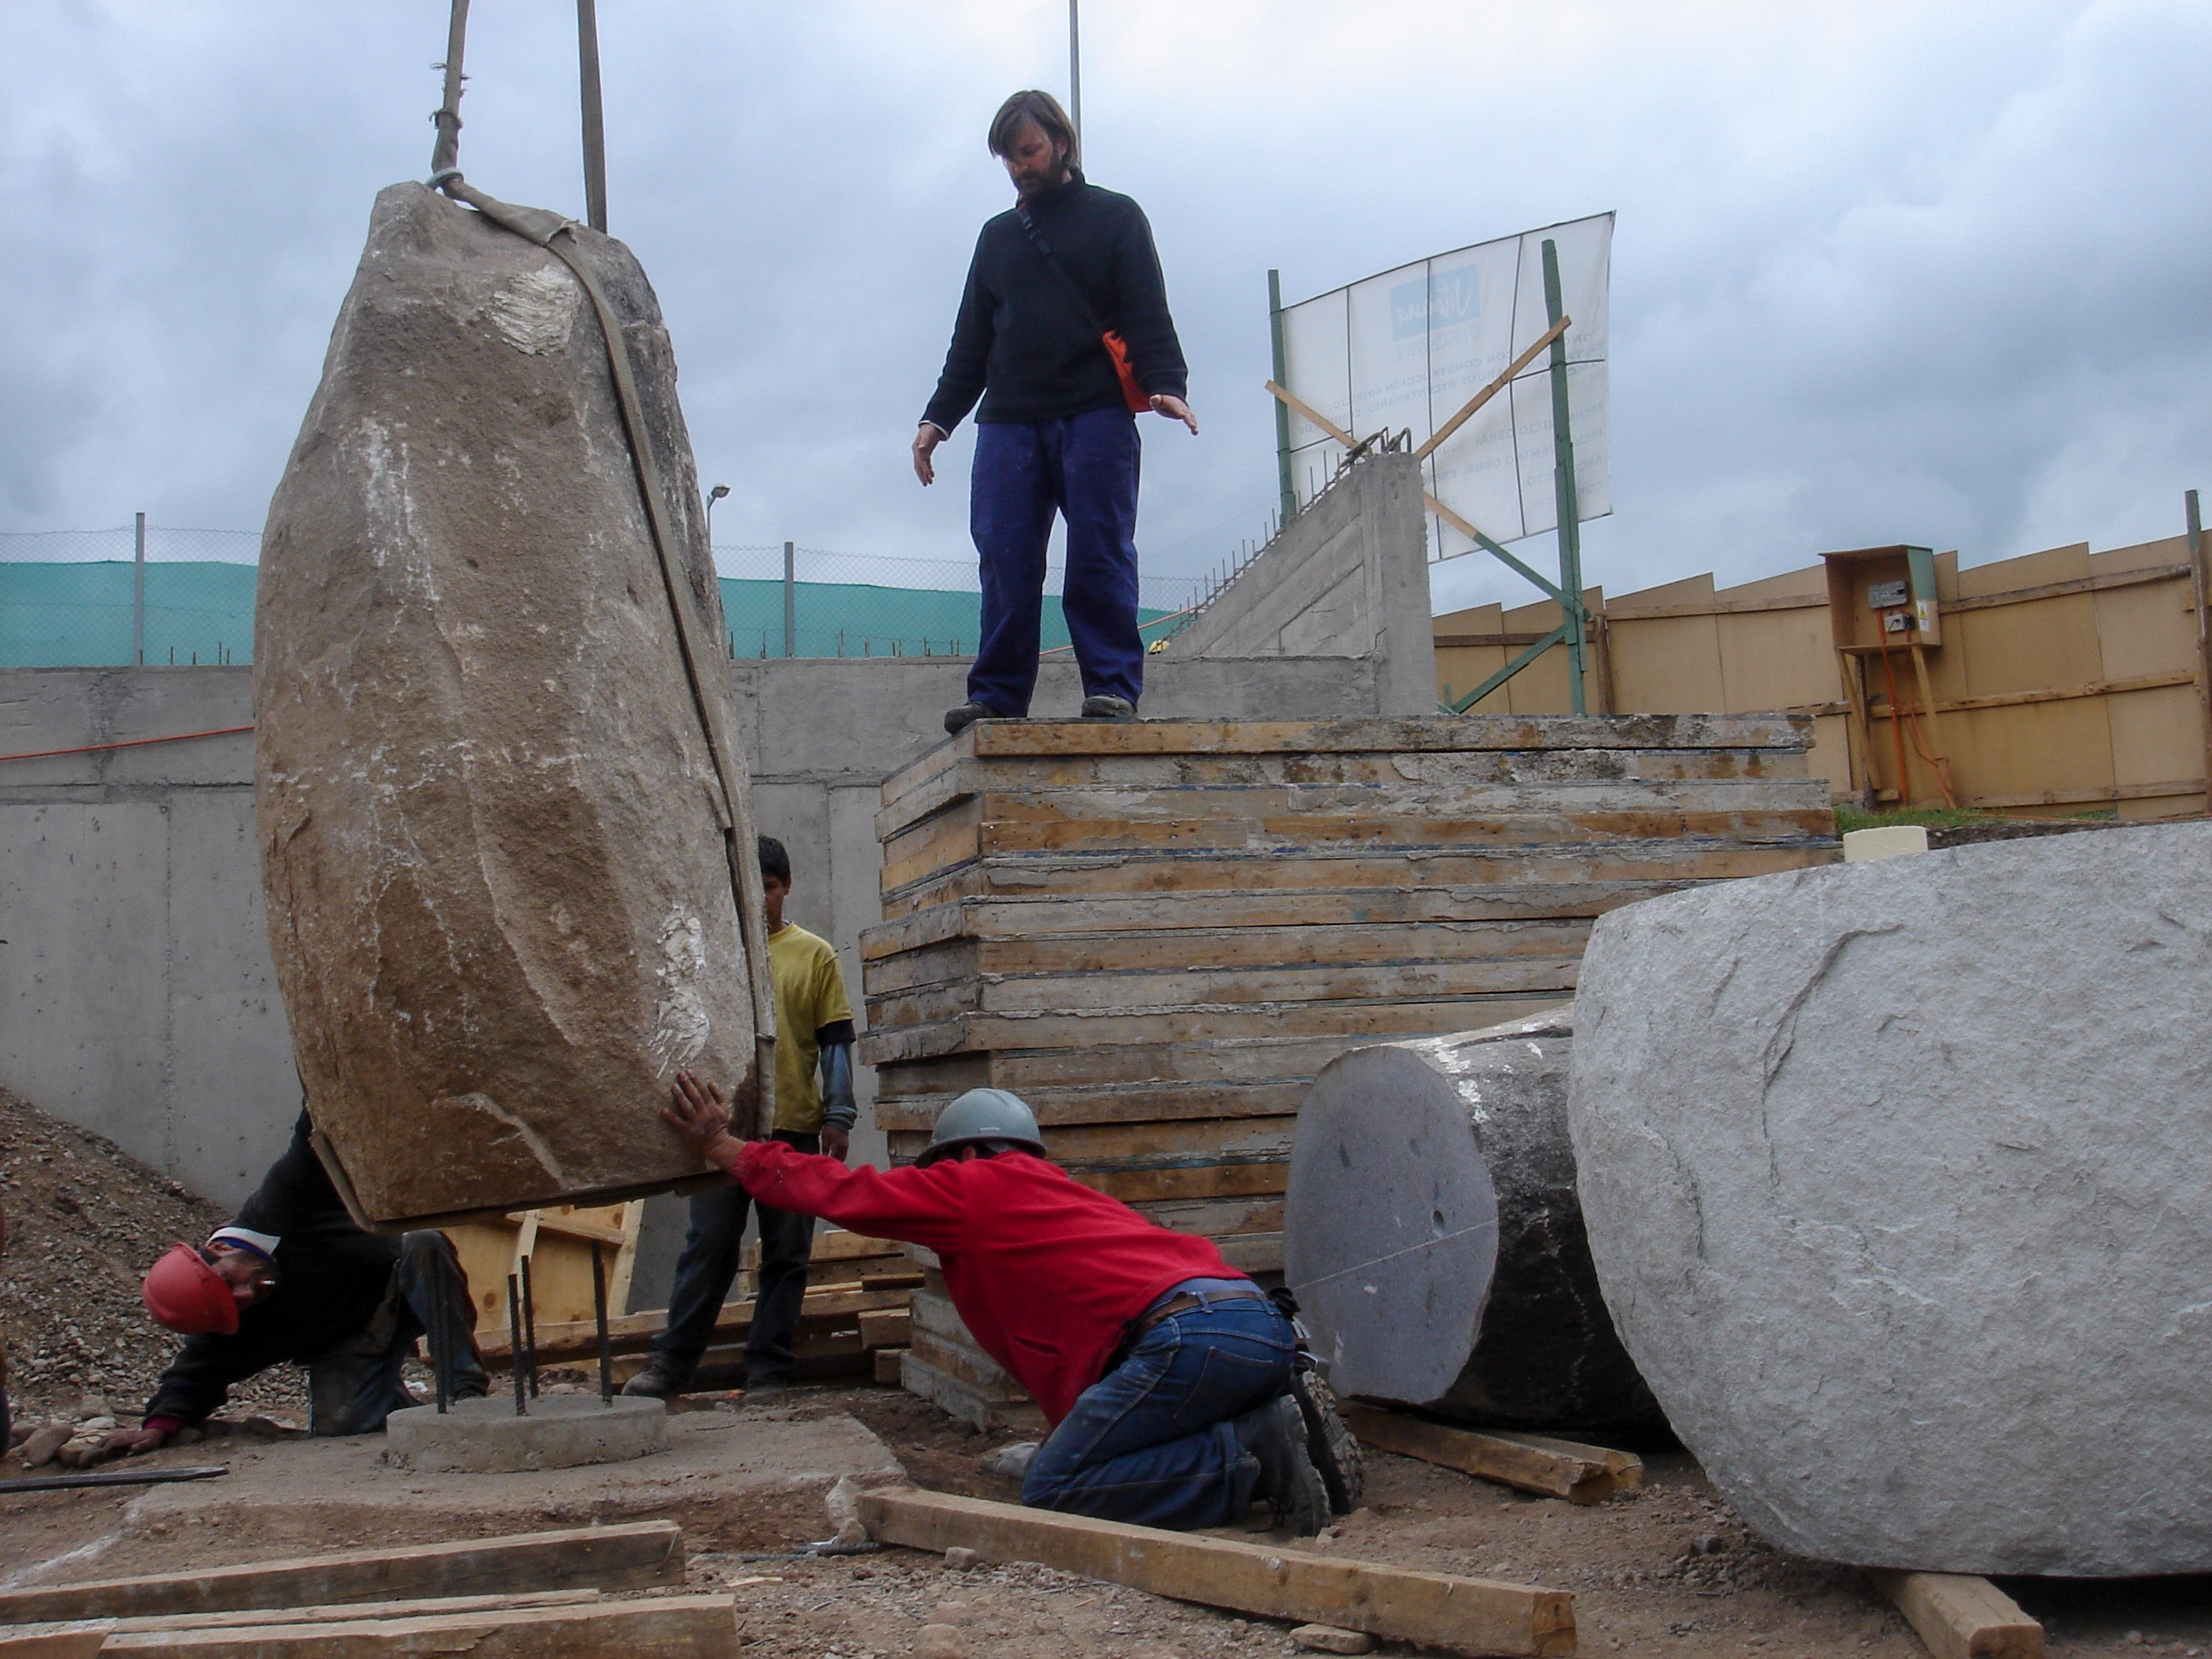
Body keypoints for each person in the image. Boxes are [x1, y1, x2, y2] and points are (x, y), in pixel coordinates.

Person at [661, 1074, 1359, 1534]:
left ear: (963, 1154)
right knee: (1099, 1447)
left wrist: (723, 1146)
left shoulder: (975, 1187)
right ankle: (1275, 1419)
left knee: (1056, 1491)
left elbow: (844, 1192)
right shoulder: (1067, 1198)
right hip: (1257, 1327)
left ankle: (1250, 1455)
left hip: (1186, 1340)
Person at [913, 90, 1197, 736]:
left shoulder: (1116, 217)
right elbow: (971, 341)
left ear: (1062, 144)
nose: (1020, 167)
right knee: (1005, 561)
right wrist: (937, 420)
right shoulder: (997, 238)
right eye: (1010, 159)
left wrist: (1166, 385)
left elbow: (1146, 309)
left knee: (1100, 553)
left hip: (1095, 415)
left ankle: (1112, 689)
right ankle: (996, 696)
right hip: (1008, 422)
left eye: (1029, 151)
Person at [95, 1113, 486, 1459]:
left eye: (230, 1282)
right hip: (352, 1339)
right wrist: (157, 1428)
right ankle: (410, 1411)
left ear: (219, 1249)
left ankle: (464, 1391)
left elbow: (315, 1128)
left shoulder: (285, 1202)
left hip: (400, 1285)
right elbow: (193, 1377)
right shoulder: (237, 1324)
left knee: (422, 1243)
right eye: (235, 1305)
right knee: (343, 1425)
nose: (245, 1295)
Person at [624, 835, 858, 1401]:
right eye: (749, 890)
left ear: (787, 887)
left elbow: (835, 1040)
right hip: (723, 1129)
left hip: (794, 1128)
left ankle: (768, 1373)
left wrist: (840, 1113)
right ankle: (672, 1366)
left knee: (786, 1255)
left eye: (769, 888)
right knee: (708, 1247)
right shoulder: (713, 953)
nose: (760, 901)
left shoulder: (814, 955)